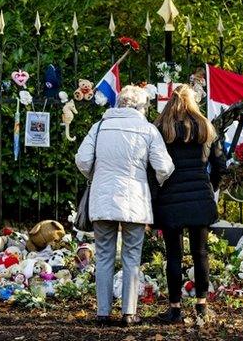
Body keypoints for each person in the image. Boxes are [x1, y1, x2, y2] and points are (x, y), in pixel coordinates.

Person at [75, 85, 174, 326]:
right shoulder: (147, 129)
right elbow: (164, 166)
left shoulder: (99, 127)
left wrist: (96, 176)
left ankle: (102, 312)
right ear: (141, 107)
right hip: (134, 199)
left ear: (119, 104)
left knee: (105, 255)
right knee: (132, 256)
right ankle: (129, 313)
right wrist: (153, 181)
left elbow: (82, 159)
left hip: (103, 198)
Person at [151, 84, 226, 323]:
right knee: (200, 253)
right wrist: (210, 186)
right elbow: (220, 165)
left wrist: (155, 195)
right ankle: (202, 306)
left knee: (173, 254)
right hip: (199, 197)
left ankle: (174, 309)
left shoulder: (160, 128)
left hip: (170, 198)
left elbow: (152, 166)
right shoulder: (206, 127)